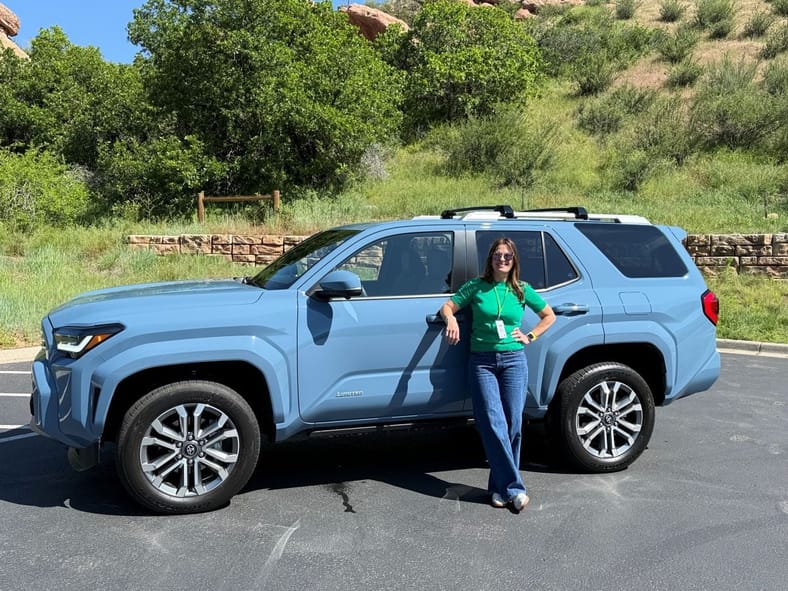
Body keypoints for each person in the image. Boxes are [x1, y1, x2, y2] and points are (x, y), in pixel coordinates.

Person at [440, 237, 555, 511]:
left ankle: (499, 488)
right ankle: (515, 488)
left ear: (513, 260)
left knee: (513, 424)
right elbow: (448, 305)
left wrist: (529, 335)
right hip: (483, 362)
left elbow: (549, 315)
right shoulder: (476, 287)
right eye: (497, 255)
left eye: (507, 256)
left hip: (514, 360)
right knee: (493, 423)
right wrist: (452, 318)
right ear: (490, 259)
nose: (502, 260)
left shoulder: (521, 290)